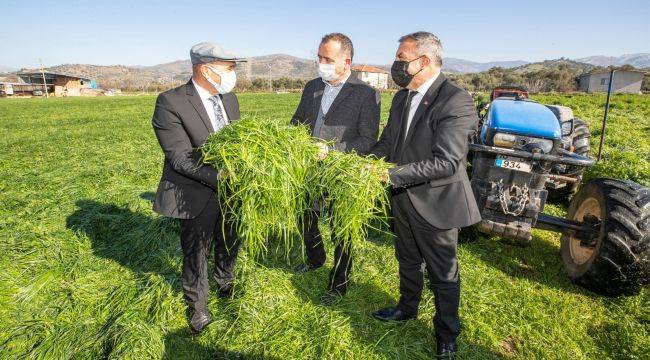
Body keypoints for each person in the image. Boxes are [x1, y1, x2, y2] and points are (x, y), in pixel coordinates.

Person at [369, 32, 481, 358]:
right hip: (402, 198)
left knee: (443, 273)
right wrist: (362, 165)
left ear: (424, 61)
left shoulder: (455, 100)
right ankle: (407, 307)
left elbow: (446, 161)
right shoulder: (402, 97)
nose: (397, 65)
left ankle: (446, 334)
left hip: (436, 202)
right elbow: (388, 143)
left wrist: (390, 174)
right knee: (406, 259)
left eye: (402, 58)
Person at [151, 42, 246, 333]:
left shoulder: (229, 100)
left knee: (230, 239)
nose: (233, 73)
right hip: (195, 190)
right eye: (229, 67)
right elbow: (180, 157)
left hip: (233, 190)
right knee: (196, 250)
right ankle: (197, 305)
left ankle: (225, 280)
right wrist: (221, 177)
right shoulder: (171, 102)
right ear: (206, 69)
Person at [291, 33, 380, 299]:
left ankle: (339, 281)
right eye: (319, 57)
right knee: (305, 217)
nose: (321, 63)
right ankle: (315, 257)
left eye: (327, 59)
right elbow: (298, 120)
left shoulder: (366, 94)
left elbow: (367, 139)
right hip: (309, 169)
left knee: (343, 228)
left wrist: (331, 151)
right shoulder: (312, 87)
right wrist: (292, 138)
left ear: (347, 61)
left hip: (343, 171)